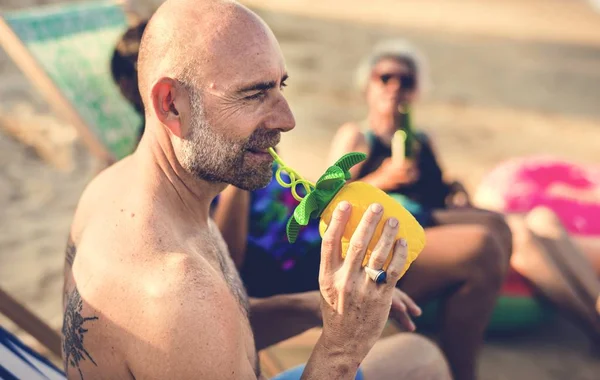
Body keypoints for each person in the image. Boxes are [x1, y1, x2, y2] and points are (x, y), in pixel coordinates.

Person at [62, 1, 452, 379]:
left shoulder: (113, 188)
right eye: (253, 94)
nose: (287, 120)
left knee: (420, 359)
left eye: (280, 87)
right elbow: (192, 320)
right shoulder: (174, 289)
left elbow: (212, 340)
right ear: (171, 104)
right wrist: (342, 346)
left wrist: (311, 307)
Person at [330, 38, 600, 351]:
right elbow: (333, 201)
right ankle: (592, 323)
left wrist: (454, 190)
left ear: (417, 89)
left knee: (543, 219)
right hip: (411, 226)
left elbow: (437, 192)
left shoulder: (423, 138)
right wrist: (382, 178)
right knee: (520, 234)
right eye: (385, 78)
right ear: (367, 86)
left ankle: (595, 306)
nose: (394, 86)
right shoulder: (358, 136)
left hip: (441, 216)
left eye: (406, 80)